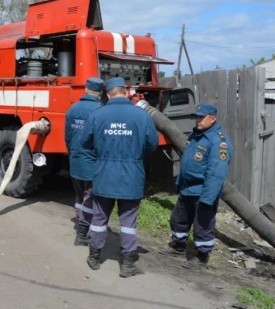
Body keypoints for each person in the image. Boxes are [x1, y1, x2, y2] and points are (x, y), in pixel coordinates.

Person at [80, 77, 159, 278]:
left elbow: (85, 142)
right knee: (128, 222)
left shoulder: (98, 114)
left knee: (99, 218)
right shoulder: (142, 116)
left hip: (104, 174)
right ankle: (127, 264)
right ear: (126, 92)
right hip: (131, 176)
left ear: (108, 94)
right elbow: (152, 145)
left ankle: (94, 257)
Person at [159, 103, 233, 270]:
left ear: (213, 119)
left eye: (202, 117)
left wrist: (208, 198)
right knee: (179, 219)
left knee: (203, 225)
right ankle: (178, 246)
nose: (197, 120)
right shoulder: (197, 135)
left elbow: (216, 174)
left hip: (203, 191)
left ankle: (201, 257)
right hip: (188, 188)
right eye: (197, 117)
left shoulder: (218, 142)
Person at [64, 77, 104, 246]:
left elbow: (67, 138)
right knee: (90, 198)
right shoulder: (99, 111)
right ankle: (82, 233)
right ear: (101, 93)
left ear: (86, 89)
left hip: (75, 161)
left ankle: (81, 222)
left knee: (80, 196)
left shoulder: (72, 110)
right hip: (92, 163)